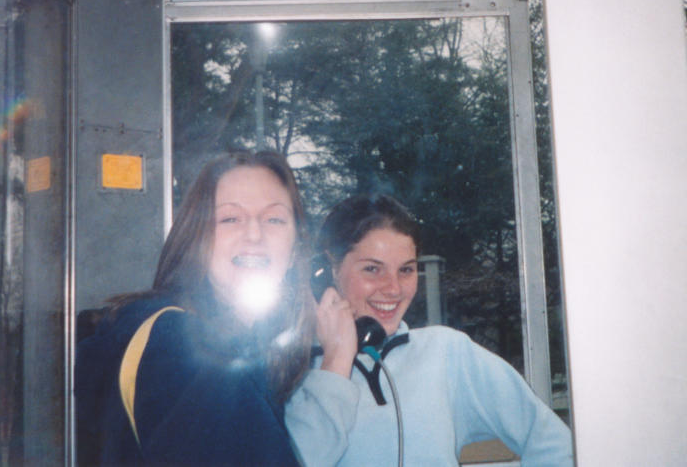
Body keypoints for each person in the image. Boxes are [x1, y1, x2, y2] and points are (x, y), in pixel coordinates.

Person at [285, 195, 574, 467]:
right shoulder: (294, 372)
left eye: (406, 270)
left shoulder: (447, 353)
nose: (394, 288)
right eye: (373, 269)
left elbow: (554, 442)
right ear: (327, 272)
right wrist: (335, 361)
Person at [76, 150, 312, 466]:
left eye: (274, 219)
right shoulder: (187, 353)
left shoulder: (230, 346)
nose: (254, 234)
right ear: (196, 235)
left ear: (296, 246)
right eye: (230, 218)